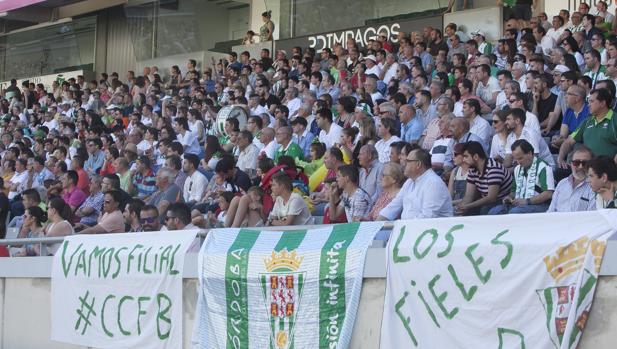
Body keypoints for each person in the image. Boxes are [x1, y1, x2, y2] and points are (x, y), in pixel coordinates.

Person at [378, 148, 453, 220]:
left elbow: (428, 217)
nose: (403, 163)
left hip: (431, 230)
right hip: (411, 228)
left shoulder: (434, 183)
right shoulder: (409, 182)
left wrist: (405, 227)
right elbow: (393, 207)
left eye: (407, 161)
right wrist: (377, 224)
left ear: (418, 164)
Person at [488, 140, 554, 214]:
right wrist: (509, 198)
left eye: (520, 158)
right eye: (516, 159)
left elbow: (548, 194)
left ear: (530, 153)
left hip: (540, 205)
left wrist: (527, 201)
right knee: (494, 211)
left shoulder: (543, 166)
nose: (518, 162)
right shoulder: (517, 169)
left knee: (515, 212)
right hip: (519, 205)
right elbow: (513, 192)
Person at [559, 88, 617, 168]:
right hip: (585, 168)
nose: (588, 104)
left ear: (603, 103)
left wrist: (613, 168)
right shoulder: (587, 121)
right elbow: (568, 142)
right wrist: (560, 158)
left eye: (592, 101)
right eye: (588, 101)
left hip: (606, 171)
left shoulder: (615, 120)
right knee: (559, 172)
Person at [457, 141, 513, 215]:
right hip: (488, 202)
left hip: (504, 201)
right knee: (465, 212)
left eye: (466, 156)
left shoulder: (493, 168)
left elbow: (491, 198)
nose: (463, 160)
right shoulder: (472, 169)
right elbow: (469, 195)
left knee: (484, 210)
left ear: (476, 157)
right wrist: (462, 207)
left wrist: (468, 206)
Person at [548, 146, 596, 212]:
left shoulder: (594, 187)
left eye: (585, 163)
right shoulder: (562, 184)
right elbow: (551, 211)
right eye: (576, 163)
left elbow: (591, 216)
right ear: (570, 164)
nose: (580, 166)